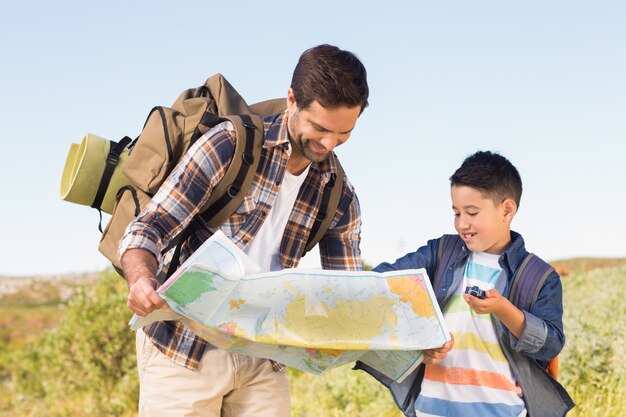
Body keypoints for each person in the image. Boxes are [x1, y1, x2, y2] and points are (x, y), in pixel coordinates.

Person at [119, 44, 369, 417]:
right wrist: (141, 278)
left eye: (343, 133)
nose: (329, 144)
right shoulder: (230, 144)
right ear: (291, 100)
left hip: (262, 358)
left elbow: (345, 295)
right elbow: (148, 228)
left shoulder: (339, 194)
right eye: (319, 128)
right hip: (182, 348)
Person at [357, 151, 573, 417]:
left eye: (472, 212)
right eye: (456, 212)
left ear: (507, 210)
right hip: (431, 409)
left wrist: (504, 309)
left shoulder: (539, 276)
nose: (462, 223)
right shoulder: (439, 253)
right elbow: (383, 283)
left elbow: (551, 344)